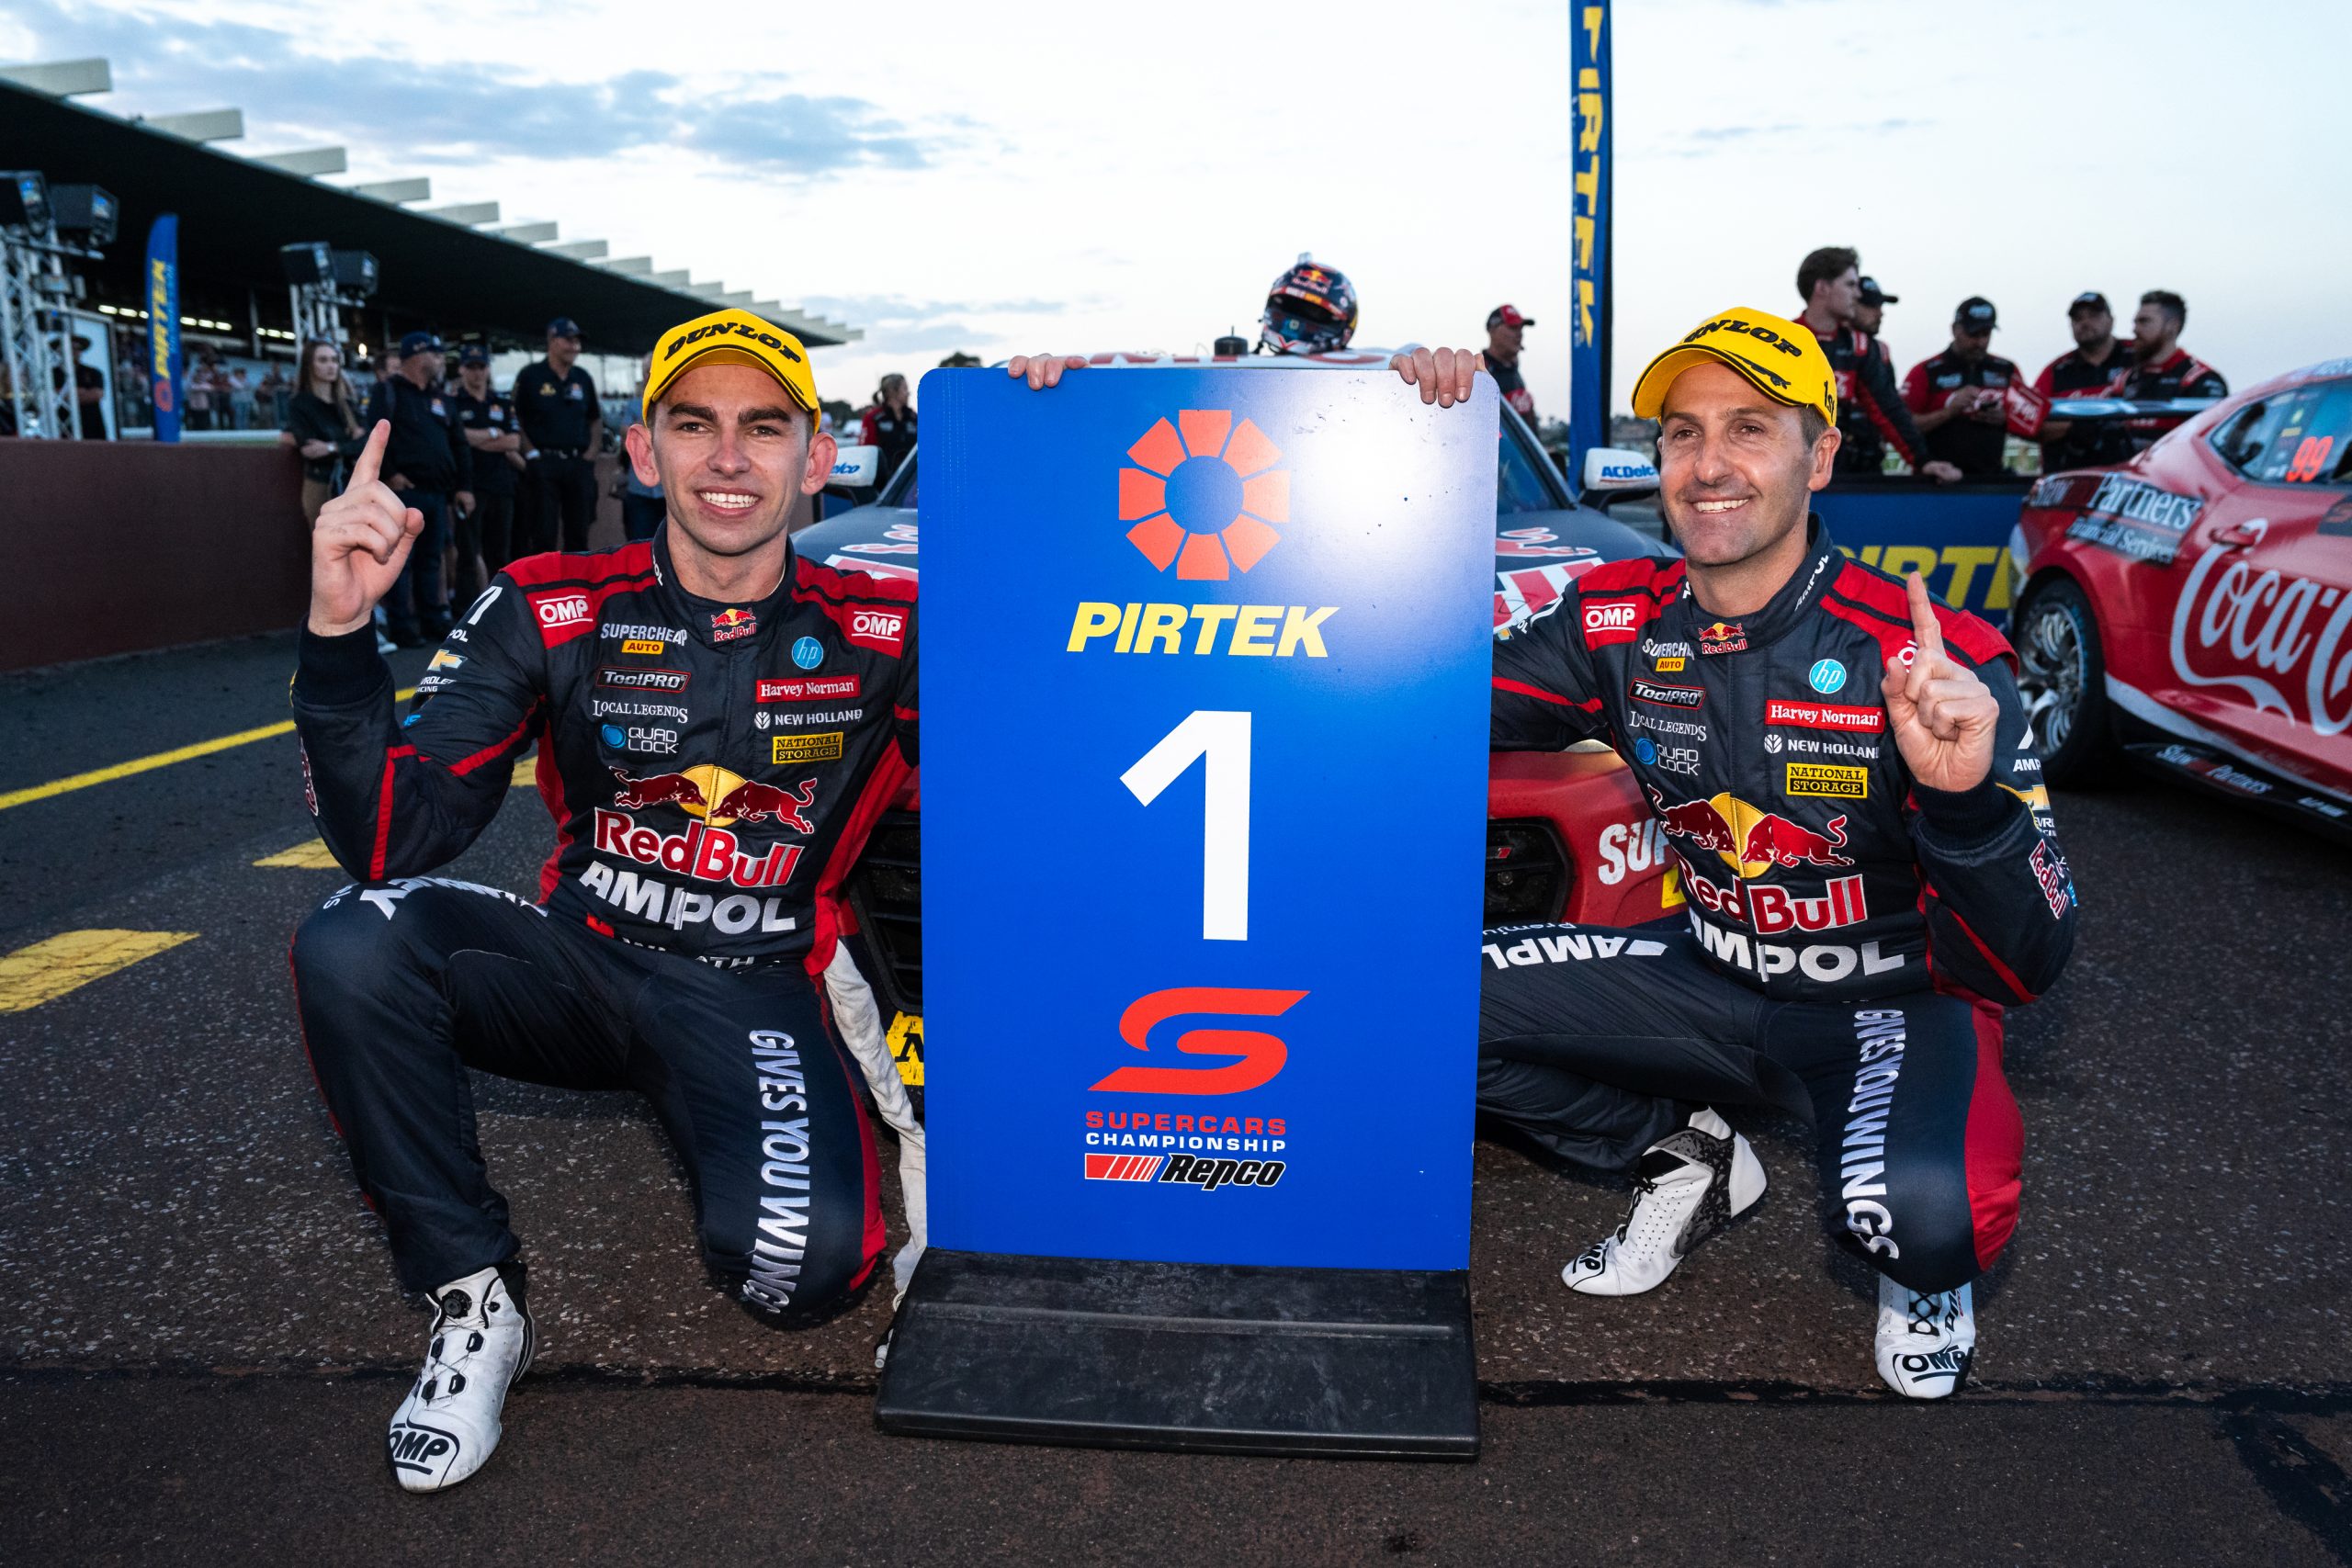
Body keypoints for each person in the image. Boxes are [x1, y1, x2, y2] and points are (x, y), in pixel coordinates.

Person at [291, 306, 1063, 1492]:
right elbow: (394, 833)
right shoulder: (549, 602)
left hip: (759, 993)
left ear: (819, 454)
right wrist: (342, 633)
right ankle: (473, 1300)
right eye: (693, 424)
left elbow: (1080, 692)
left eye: (764, 427)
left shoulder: (889, 627)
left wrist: (1047, 435)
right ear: (644, 453)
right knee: (354, 939)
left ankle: (728, 1122)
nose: (729, 456)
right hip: (581, 968)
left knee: (804, 1277)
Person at [1393, 308, 2075, 1399]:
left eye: (1751, 429)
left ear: (1820, 457)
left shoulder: (1937, 659)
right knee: (1418, 1003)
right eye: (1682, 432)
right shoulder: (1613, 621)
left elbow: (2030, 963)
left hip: (1889, 1006)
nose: (1708, 465)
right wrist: (1398, 434)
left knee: (1920, 1217)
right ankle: (1690, 1155)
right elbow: (1397, 690)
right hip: (1704, 974)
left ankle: (1922, 1269)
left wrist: (1962, 807)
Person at [1790, 247, 1959, 485]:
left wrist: (1923, 461)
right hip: (1796, 479)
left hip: (1846, 474)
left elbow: (1887, 407)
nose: (1857, 294)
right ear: (1822, 288)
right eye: (1850, 285)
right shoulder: (1785, 341)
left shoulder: (1859, 345)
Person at [363, 331, 473, 645]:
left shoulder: (442, 398)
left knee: (431, 559)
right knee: (401, 560)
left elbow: (460, 445)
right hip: (402, 492)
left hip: (437, 493)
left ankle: (432, 620)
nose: (440, 361)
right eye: (436, 354)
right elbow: (375, 435)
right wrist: (391, 473)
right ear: (416, 356)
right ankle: (402, 624)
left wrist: (464, 487)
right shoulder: (388, 391)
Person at [1901, 298, 2022, 479]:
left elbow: (2032, 424)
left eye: (1986, 334)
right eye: (1973, 334)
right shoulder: (1926, 371)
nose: (1980, 342)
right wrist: (1949, 412)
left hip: (1991, 482)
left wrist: (2006, 419)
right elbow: (1901, 427)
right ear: (1955, 329)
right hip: (1936, 482)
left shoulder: (2007, 370)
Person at [513, 316, 603, 552]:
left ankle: (579, 586)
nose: (575, 347)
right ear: (552, 341)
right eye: (569, 340)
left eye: (577, 342)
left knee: (579, 532)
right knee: (543, 533)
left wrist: (591, 453)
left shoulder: (582, 377)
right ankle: (546, 588)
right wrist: (530, 452)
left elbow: (595, 418)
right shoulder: (531, 375)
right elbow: (516, 418)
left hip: (577, 463)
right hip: (543, 464)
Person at [2109, 290, 2227, 455]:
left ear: (2172, 326)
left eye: (2144, 322)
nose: (2135, 330)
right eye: (2135, 322)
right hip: (2125, 476)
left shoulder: (2200, 379)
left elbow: (2206, 450)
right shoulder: (2124, 380)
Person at [2030, 291, 2135, 473]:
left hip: (2132, 478)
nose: (2085, 323)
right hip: (2068, 478)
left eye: (2094, 316)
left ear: (2111, 320)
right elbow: (2030, 422)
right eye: (2078, 319)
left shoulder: (2137, 358)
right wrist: (2074, 427)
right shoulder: (2056, 371)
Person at [450, 346, 524, 599]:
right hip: (470, 486)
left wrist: (475, 438)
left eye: (481, 366)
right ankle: (467, 609)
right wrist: (494, 433)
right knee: (469, 552)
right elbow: (457, 438)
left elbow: (514, 442)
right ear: (461, 369)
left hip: (501, 486)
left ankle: (499, 608)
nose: (477, 372)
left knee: (500, 552)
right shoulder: (453, 403)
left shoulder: (501, 402)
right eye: (471, 367)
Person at [282, 339, 368, 524]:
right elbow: (310, 449)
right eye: (323, 360)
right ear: (309, 365)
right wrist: (348, 440)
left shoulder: (348, 404)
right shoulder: (299, 404)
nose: (331, 366)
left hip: (352, 482)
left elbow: (366, 443)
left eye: (334, 360)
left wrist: (332, 446)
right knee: (328, 548)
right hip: (321, 484)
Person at [1257, 254, 1359, 355]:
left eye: (1316, 313)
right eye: (1290, 306)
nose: (1294, 324)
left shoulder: (1357, 367)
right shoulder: (1248, 364)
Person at [858, 373, 917, 490]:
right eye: (905, 389)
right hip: (883, 487)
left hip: (911, 485)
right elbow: (865, 453)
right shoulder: (873, 418)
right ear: (892, 392)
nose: (908, 393)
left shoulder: (914, 418)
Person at [1484, 305, 1537, 422]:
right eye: (1513, 328)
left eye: (1520, 328)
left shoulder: (1514, 371)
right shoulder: (1481, 373)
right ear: (1492, 330)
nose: (1519, 334)